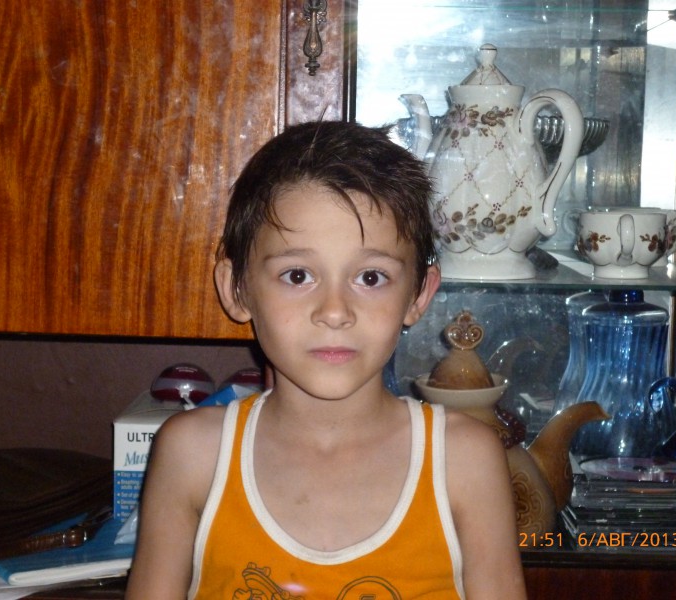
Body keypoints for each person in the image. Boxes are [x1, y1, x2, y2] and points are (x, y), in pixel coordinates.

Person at [126, 121, 526, 599]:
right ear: (236, 289)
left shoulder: (464, 461)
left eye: (371, 278)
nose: (335, 312)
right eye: (298, 275)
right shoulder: (193, 456)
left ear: (419, 294)